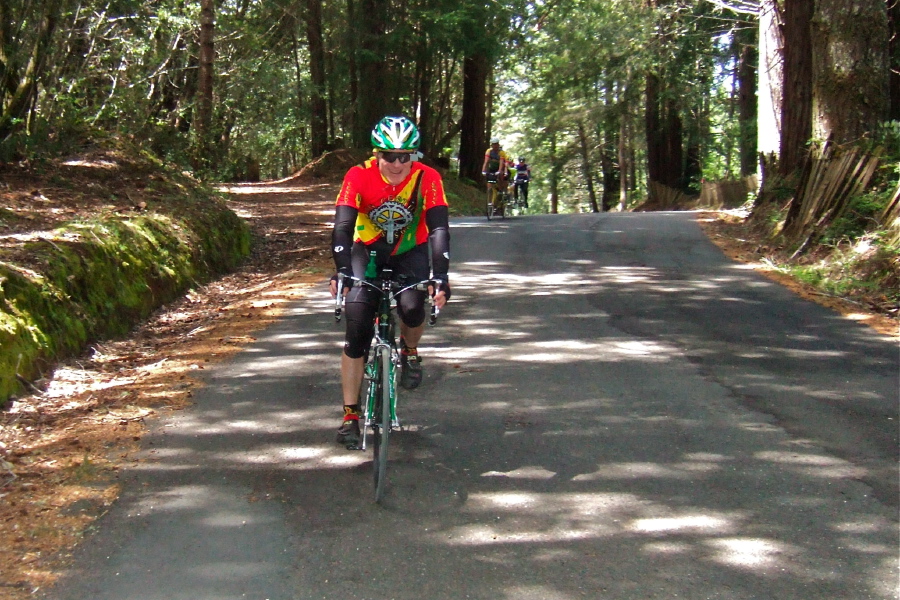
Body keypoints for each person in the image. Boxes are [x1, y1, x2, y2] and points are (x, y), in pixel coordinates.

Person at [329, 115, 451, 448]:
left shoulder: (428, 178)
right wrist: (342, 269)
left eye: (404, 156)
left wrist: (440, 276)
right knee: (357, 327)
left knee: (412, 309)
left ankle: (410, 350)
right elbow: (342, 226)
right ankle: (350, 416)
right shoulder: (359, 176)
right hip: (366, 251)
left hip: (410, 251)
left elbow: (438, 228)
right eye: (388, 156)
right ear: (376, 154)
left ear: (415, 156)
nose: (397, 163)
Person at [481, 138, 510, 210]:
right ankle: (490, 195)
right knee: (489, 182)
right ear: (491, 145)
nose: (495, 146)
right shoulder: (488, 151)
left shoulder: (501, 152)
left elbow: (501, 163)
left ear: (498, 144)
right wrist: (483, 170)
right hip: (492, 168)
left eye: (496, 144)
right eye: (493, 144)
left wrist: (499, 171)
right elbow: (486, 161)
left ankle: (501, 190)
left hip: (500, 168)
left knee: (500, 175)